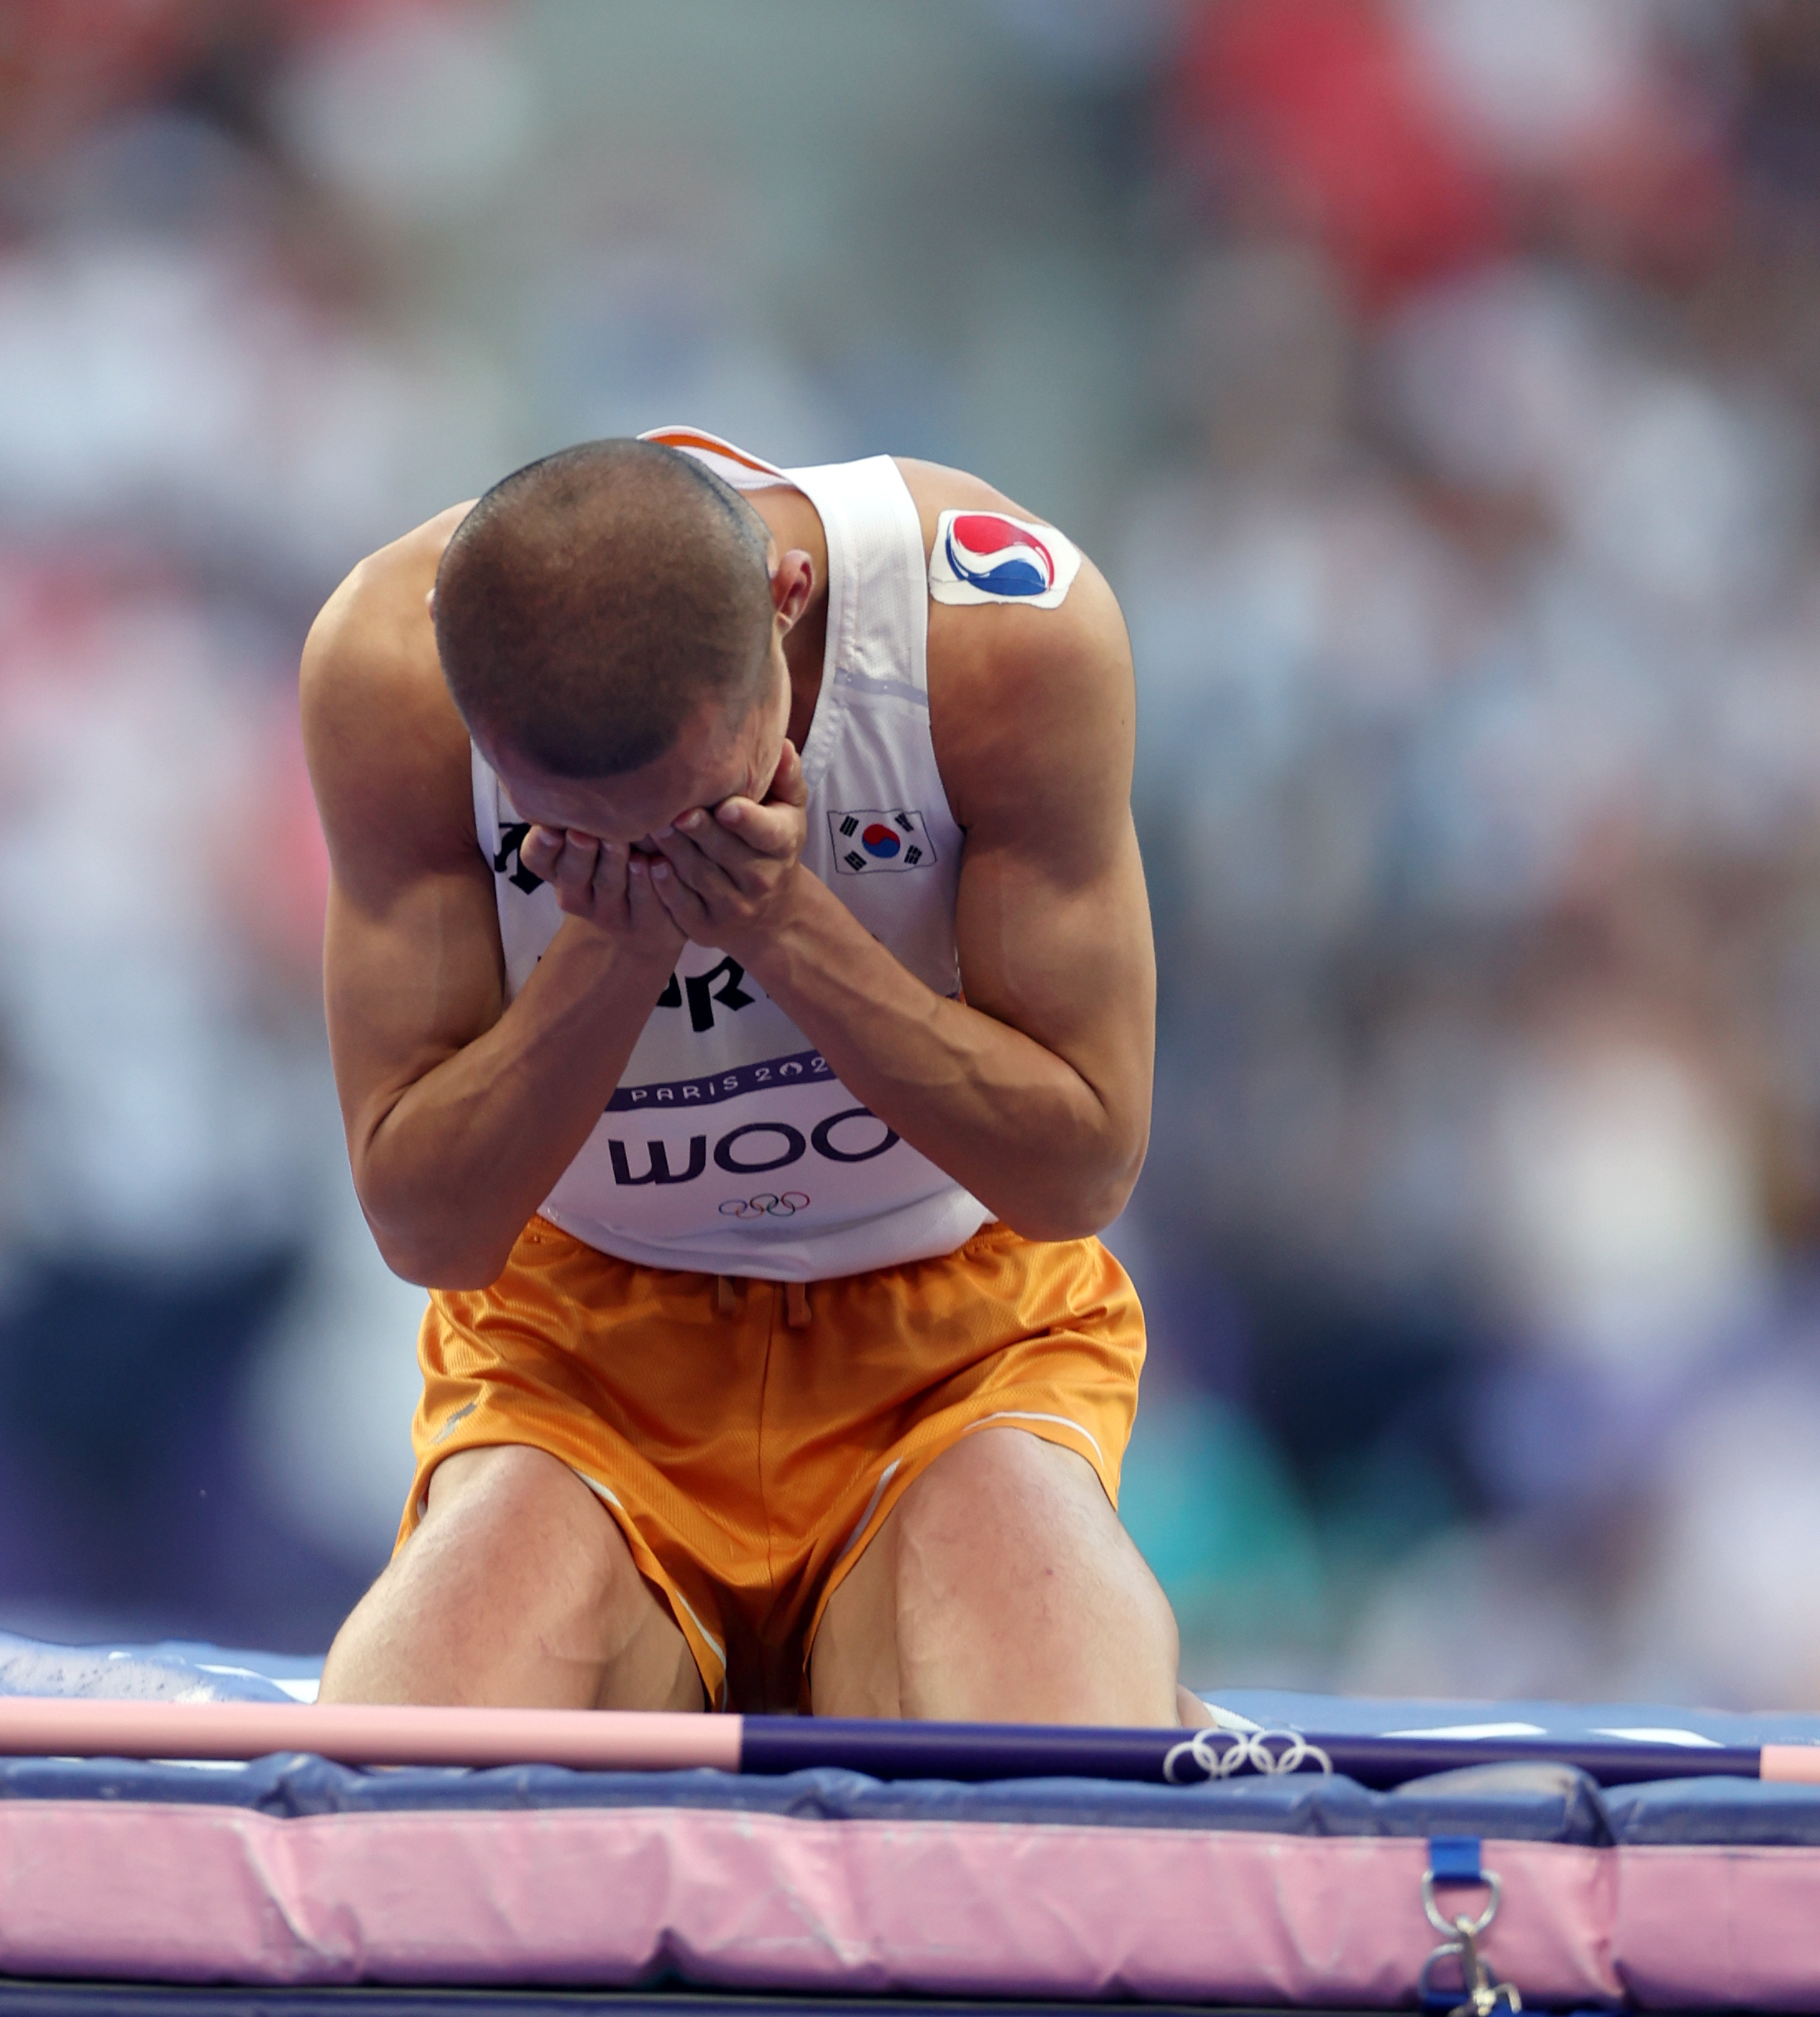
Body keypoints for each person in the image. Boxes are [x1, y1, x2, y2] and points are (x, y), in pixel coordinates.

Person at [299, 425, 1188, 1722]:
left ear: (790, 602)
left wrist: (784, 927)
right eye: (577, 836)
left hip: (956, 1352)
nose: (649, 857)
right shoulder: (385, 666)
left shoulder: (998, 634)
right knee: (391, 1799)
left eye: (695, 814)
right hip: (580, 1366)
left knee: (1061, 1788)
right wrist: (618, 943)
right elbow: (429, 1228)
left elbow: (1078, 1169)